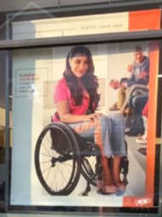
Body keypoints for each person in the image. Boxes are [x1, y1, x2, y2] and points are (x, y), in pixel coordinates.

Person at [54, 45, 126, 194]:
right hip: (69, 127)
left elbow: (91, 109)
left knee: (118, 117)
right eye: (78, 61)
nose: (82, 66)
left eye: (86, 62)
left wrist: (92, 116)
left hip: (86, 123)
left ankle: (115, 171)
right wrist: (87, 117)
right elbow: (64, 116)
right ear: (69, 62)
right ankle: (105, 172)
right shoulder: (62, 85)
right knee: (103, 121)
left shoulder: (89, 81)